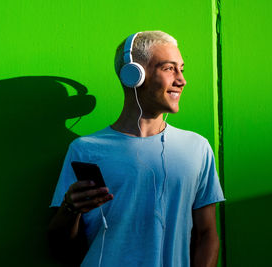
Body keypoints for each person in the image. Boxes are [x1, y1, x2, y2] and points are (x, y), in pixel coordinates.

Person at [48, 31, 225, 267]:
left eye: (181, 69)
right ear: (134, 75)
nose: (181, 80)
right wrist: (70, 208)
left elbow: (207, 235)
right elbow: (61, 247)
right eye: (169, 68)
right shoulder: (85, 150)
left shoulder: (197, 148)